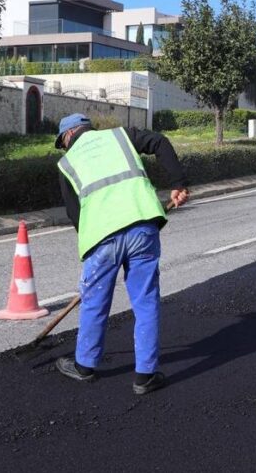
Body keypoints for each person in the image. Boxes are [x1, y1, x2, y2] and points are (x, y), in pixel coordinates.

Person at [53, 113, 190, 395]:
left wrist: (95, 248)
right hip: (142, 225)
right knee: (145, 300)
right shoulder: (120, 135)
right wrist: (178, 183)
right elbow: (160, 142)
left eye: (63, 143)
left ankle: (84, 367)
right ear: (88, 129)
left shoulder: (65, 163)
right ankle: (145, 377)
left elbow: (74, 214)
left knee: (94, 302)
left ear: (68, 136)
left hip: (101, 238)